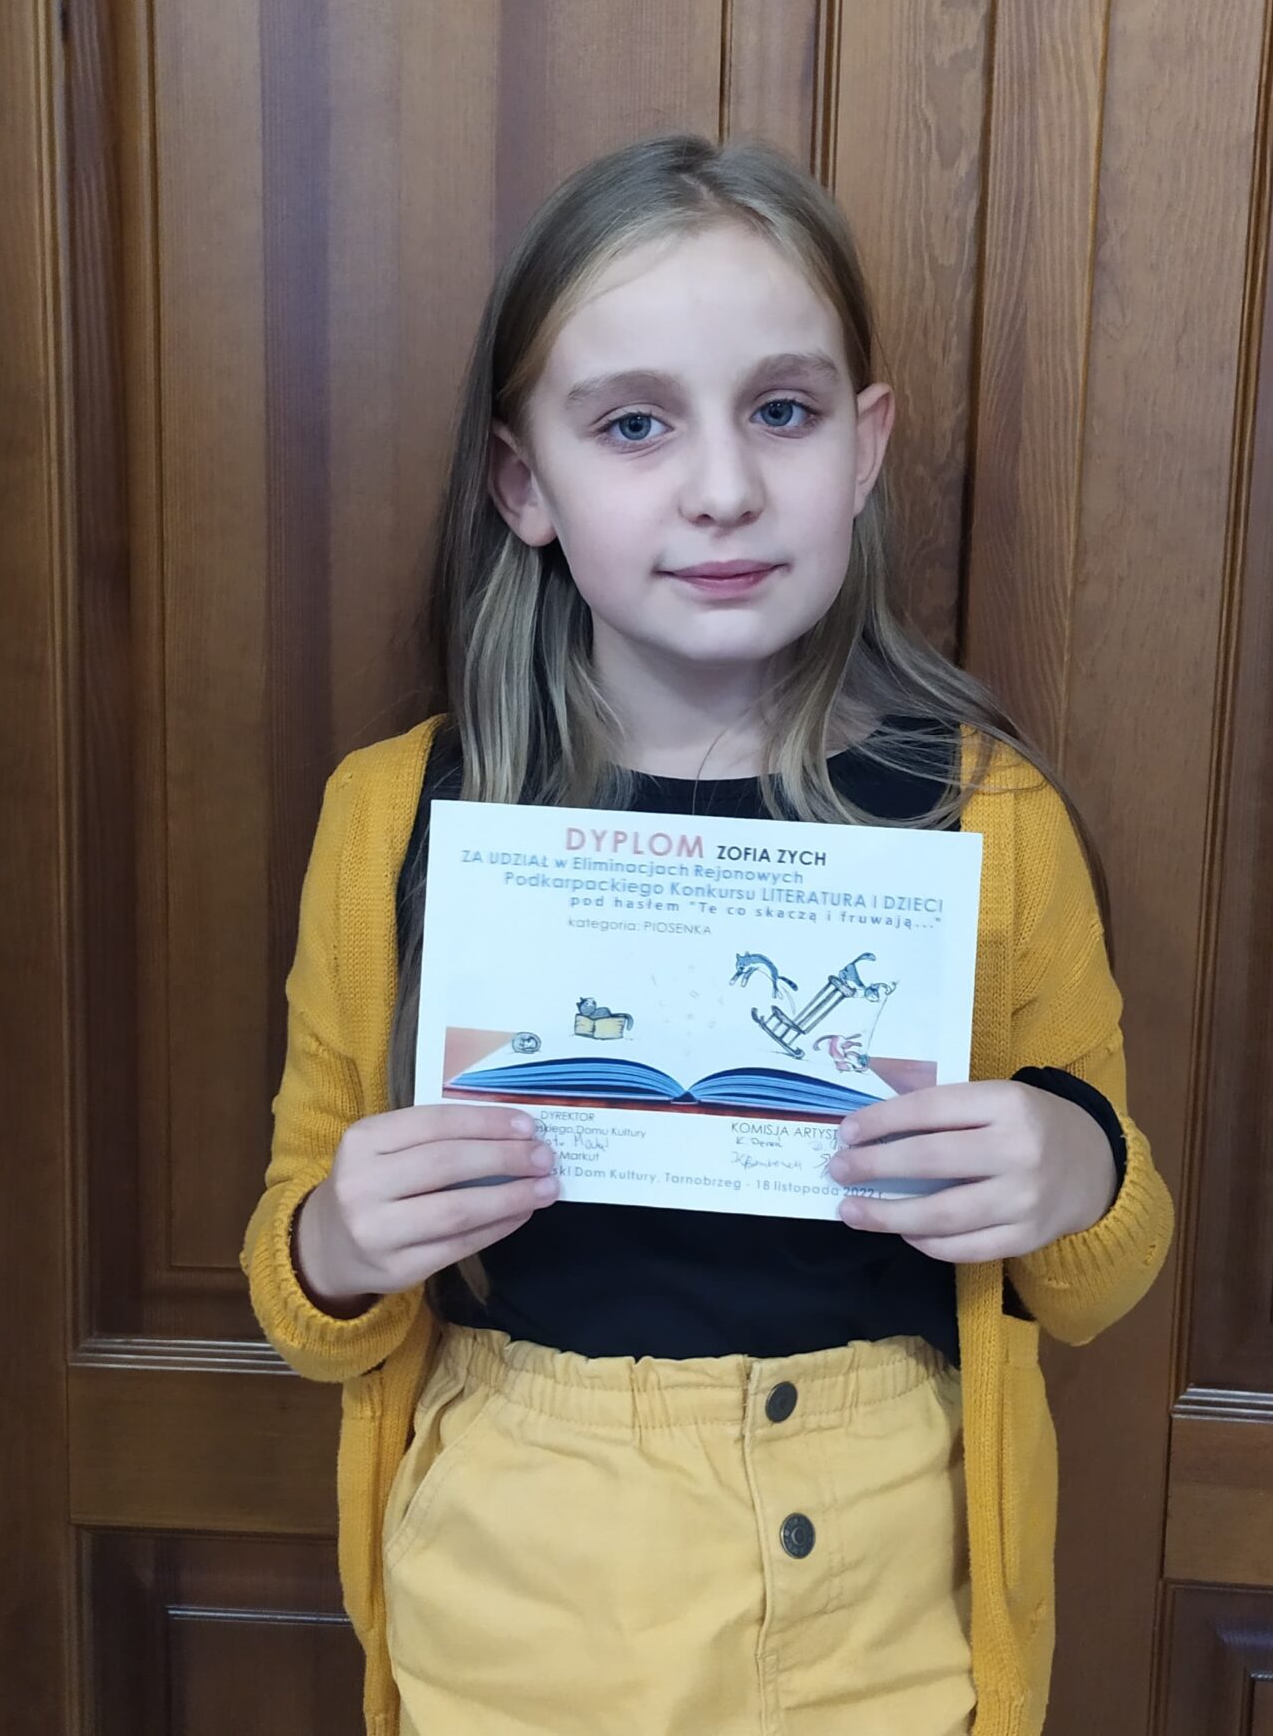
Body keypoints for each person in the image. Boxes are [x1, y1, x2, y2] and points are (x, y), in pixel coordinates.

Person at [242, 133, 1173, 1736]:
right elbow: (298, 1286)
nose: (725, 485)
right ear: (523, 484)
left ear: (864, 447)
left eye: (783, 411)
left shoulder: (985, 816)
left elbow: (1101, 1277)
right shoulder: (394, 815)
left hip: (882, 1606)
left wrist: (1072, 1166)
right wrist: (340, 1241)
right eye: (634, 424)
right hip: (515, 1586)